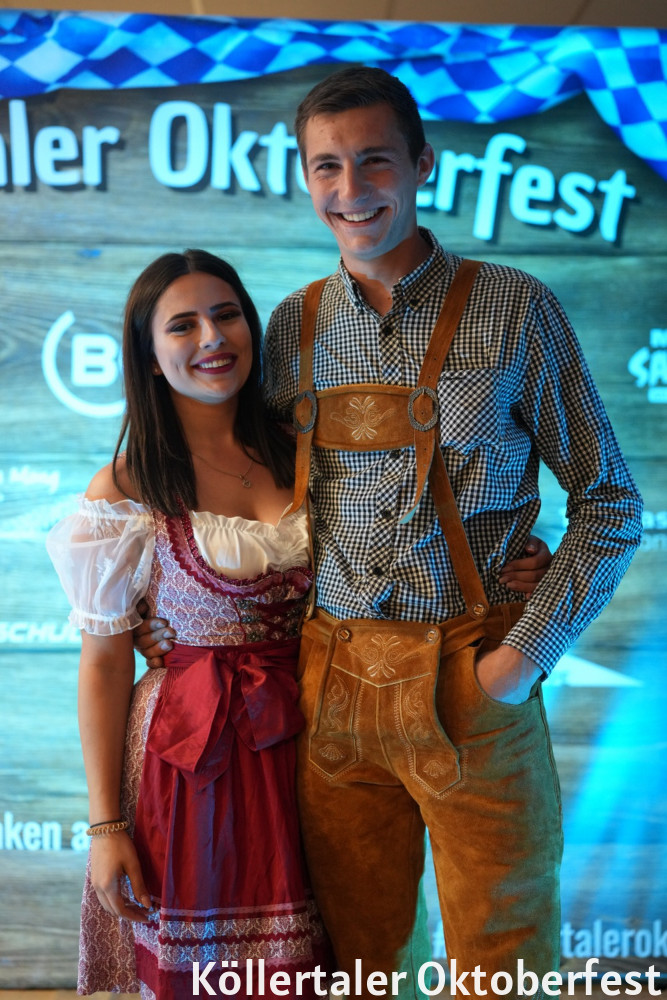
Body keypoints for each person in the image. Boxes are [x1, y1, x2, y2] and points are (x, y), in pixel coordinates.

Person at [134, 66, 642, 996]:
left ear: (421, 164)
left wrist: (519, 659)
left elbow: (610, 502)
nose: (351, 188)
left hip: (476, 673)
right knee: (363, 962)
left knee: (506, 962)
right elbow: (239, 479)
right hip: (330, 681)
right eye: (326, 167)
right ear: (305, 178)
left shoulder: (515, 307)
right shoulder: (290, 326)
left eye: (373, 160)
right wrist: (165, 602)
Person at [46, 250, 331, 1000]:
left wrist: (519, 559)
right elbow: (105, 663)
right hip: (192, 760)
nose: (212, 337)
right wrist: (106, 829)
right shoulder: (127, 485)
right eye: (183, 325)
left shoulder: (308, 451)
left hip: (317, 739)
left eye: (226, 314)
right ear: (148, 356)